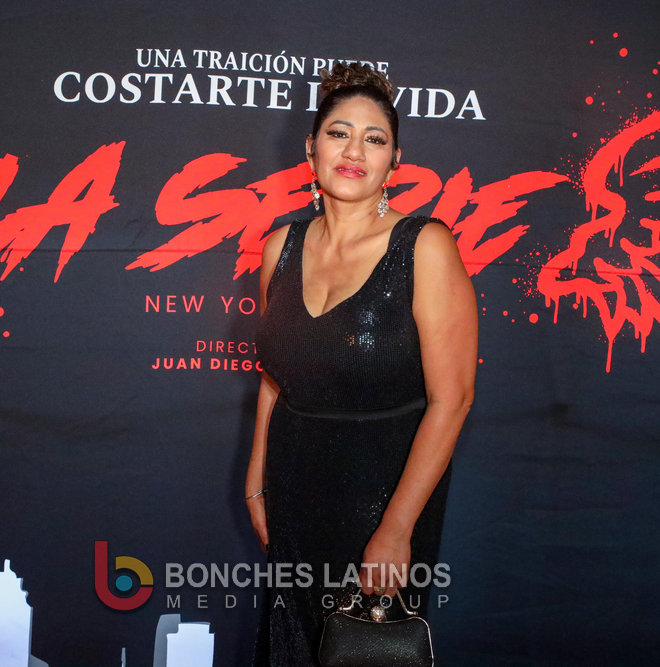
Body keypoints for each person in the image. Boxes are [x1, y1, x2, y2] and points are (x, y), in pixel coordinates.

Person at [246, 62, 478, 666]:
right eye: (339, 133)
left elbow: (453, 399)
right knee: (292, 644)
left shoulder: (425, 246)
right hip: (295, 481)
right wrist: (256, 475)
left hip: (384, 488)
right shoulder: (279, 247)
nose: (354, 152)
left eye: (374, 139)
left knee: (366, 649)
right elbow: (278, 372)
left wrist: (396, 528)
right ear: (311, 148)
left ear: (394, 161)